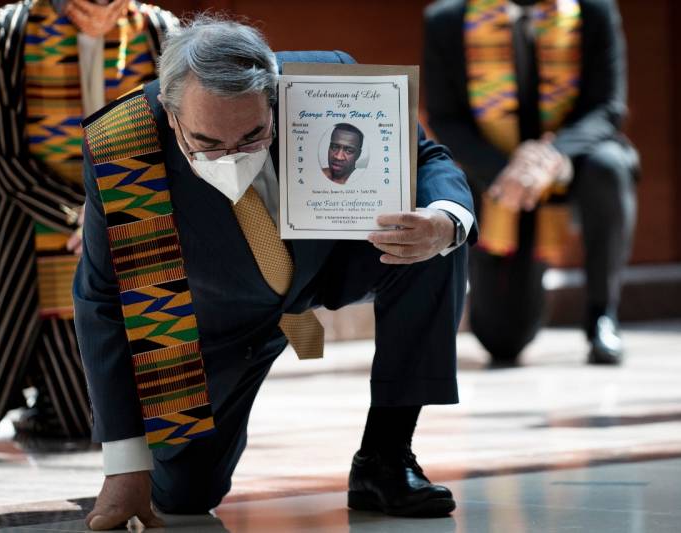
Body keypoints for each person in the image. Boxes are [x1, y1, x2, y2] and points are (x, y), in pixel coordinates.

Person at [73, 16, 476, 529]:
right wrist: (125, 463)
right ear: (172, 117)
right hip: (212, 325)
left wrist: (446, 220)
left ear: (275, 98)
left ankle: (386, 457)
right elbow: (103, 301)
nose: (233, 157)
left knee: (435, 239)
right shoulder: (122, 144)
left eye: (252, 136)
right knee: (183, 495)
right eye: (208, 143)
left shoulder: (329, 87)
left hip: (325, 265)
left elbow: (426, 159)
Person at [0, 0, 178, 442]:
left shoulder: (156, 27)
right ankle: (45, 399)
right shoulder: (11, 29)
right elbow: (7, 155)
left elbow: (175, 134)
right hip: (44, 222)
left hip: (136, 214)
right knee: (81, 418)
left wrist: (115, 208)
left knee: (153, 399)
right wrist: (80, 215)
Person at [424, 0, 638, 366]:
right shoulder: (447, 20)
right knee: (501, 341)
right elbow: (446, 119)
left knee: (610, 167)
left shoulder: (593, 10)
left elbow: (607, 106)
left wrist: (548, 160)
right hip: (497, 177)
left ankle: (603, 313)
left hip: (573, 164)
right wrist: (510, 171)